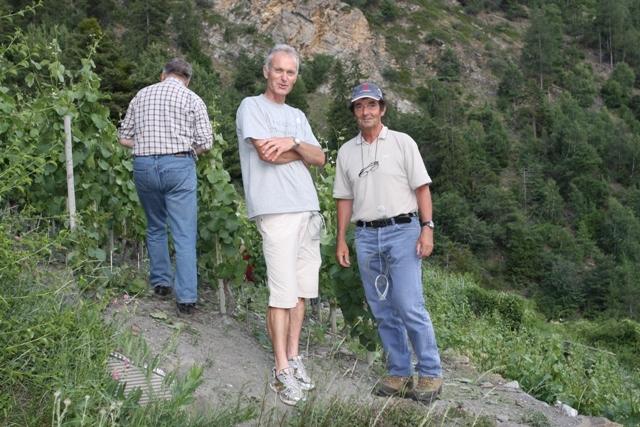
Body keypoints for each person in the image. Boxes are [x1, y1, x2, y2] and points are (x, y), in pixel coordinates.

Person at [333, 82, 443, 403]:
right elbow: (344, 198)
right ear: (354, 112)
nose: (365, 111)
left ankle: (430, 372)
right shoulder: (346, 152)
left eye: (371, 105)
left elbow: (422, 188)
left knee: (409, 305)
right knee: (382, 308)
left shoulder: (402, 142)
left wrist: (427, 228)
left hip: (403, 231)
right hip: (366, 236)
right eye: (359, 106)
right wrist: (341, 239)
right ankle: (399, 373)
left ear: (382, 109)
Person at [235, 44, 325, 406]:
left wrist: (294, 143)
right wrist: (300, 153)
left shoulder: (298, 116)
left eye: (290, 72)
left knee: (301, 292)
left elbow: (320, 157)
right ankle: (281, 368)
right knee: (281, 294)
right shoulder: (251, 107)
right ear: (266, 71)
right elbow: (266, 154)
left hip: (308, 210)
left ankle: (294, 357)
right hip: (276, 210)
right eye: (279, 70)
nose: (284, 77)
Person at [118, 58, 212, 315]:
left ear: (163, 75)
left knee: (155, 224)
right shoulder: (192, 99)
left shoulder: (141, 95)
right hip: (178, 165)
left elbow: (124, 137)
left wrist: (147, 145)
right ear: (187, 80)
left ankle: (161, 283)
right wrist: (187, 151)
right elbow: (206, 142)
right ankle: (186, 299)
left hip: (144, 166)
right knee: (184, 232)